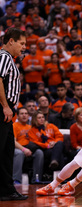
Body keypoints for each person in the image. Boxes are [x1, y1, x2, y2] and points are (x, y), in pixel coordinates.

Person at [0, 28, 28, 201]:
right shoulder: (3, 57)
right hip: (3, 108)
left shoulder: (9, 58)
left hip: (8, 109)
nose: (23, 47)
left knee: (7, 151)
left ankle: (6, 189)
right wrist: (5, 105)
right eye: (22, 43)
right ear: (11, 41)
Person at [13, 107, 44, 184]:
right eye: (22, 114)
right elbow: (13, 142)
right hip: (18, 148)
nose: (24, 115)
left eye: (26, 114)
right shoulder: (14, 125)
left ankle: (36, 179)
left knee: (39, 152)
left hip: (30, 148)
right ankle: (16, 180)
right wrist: (23, 149)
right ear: (17, 116)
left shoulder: (30, 127)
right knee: (19, 153)